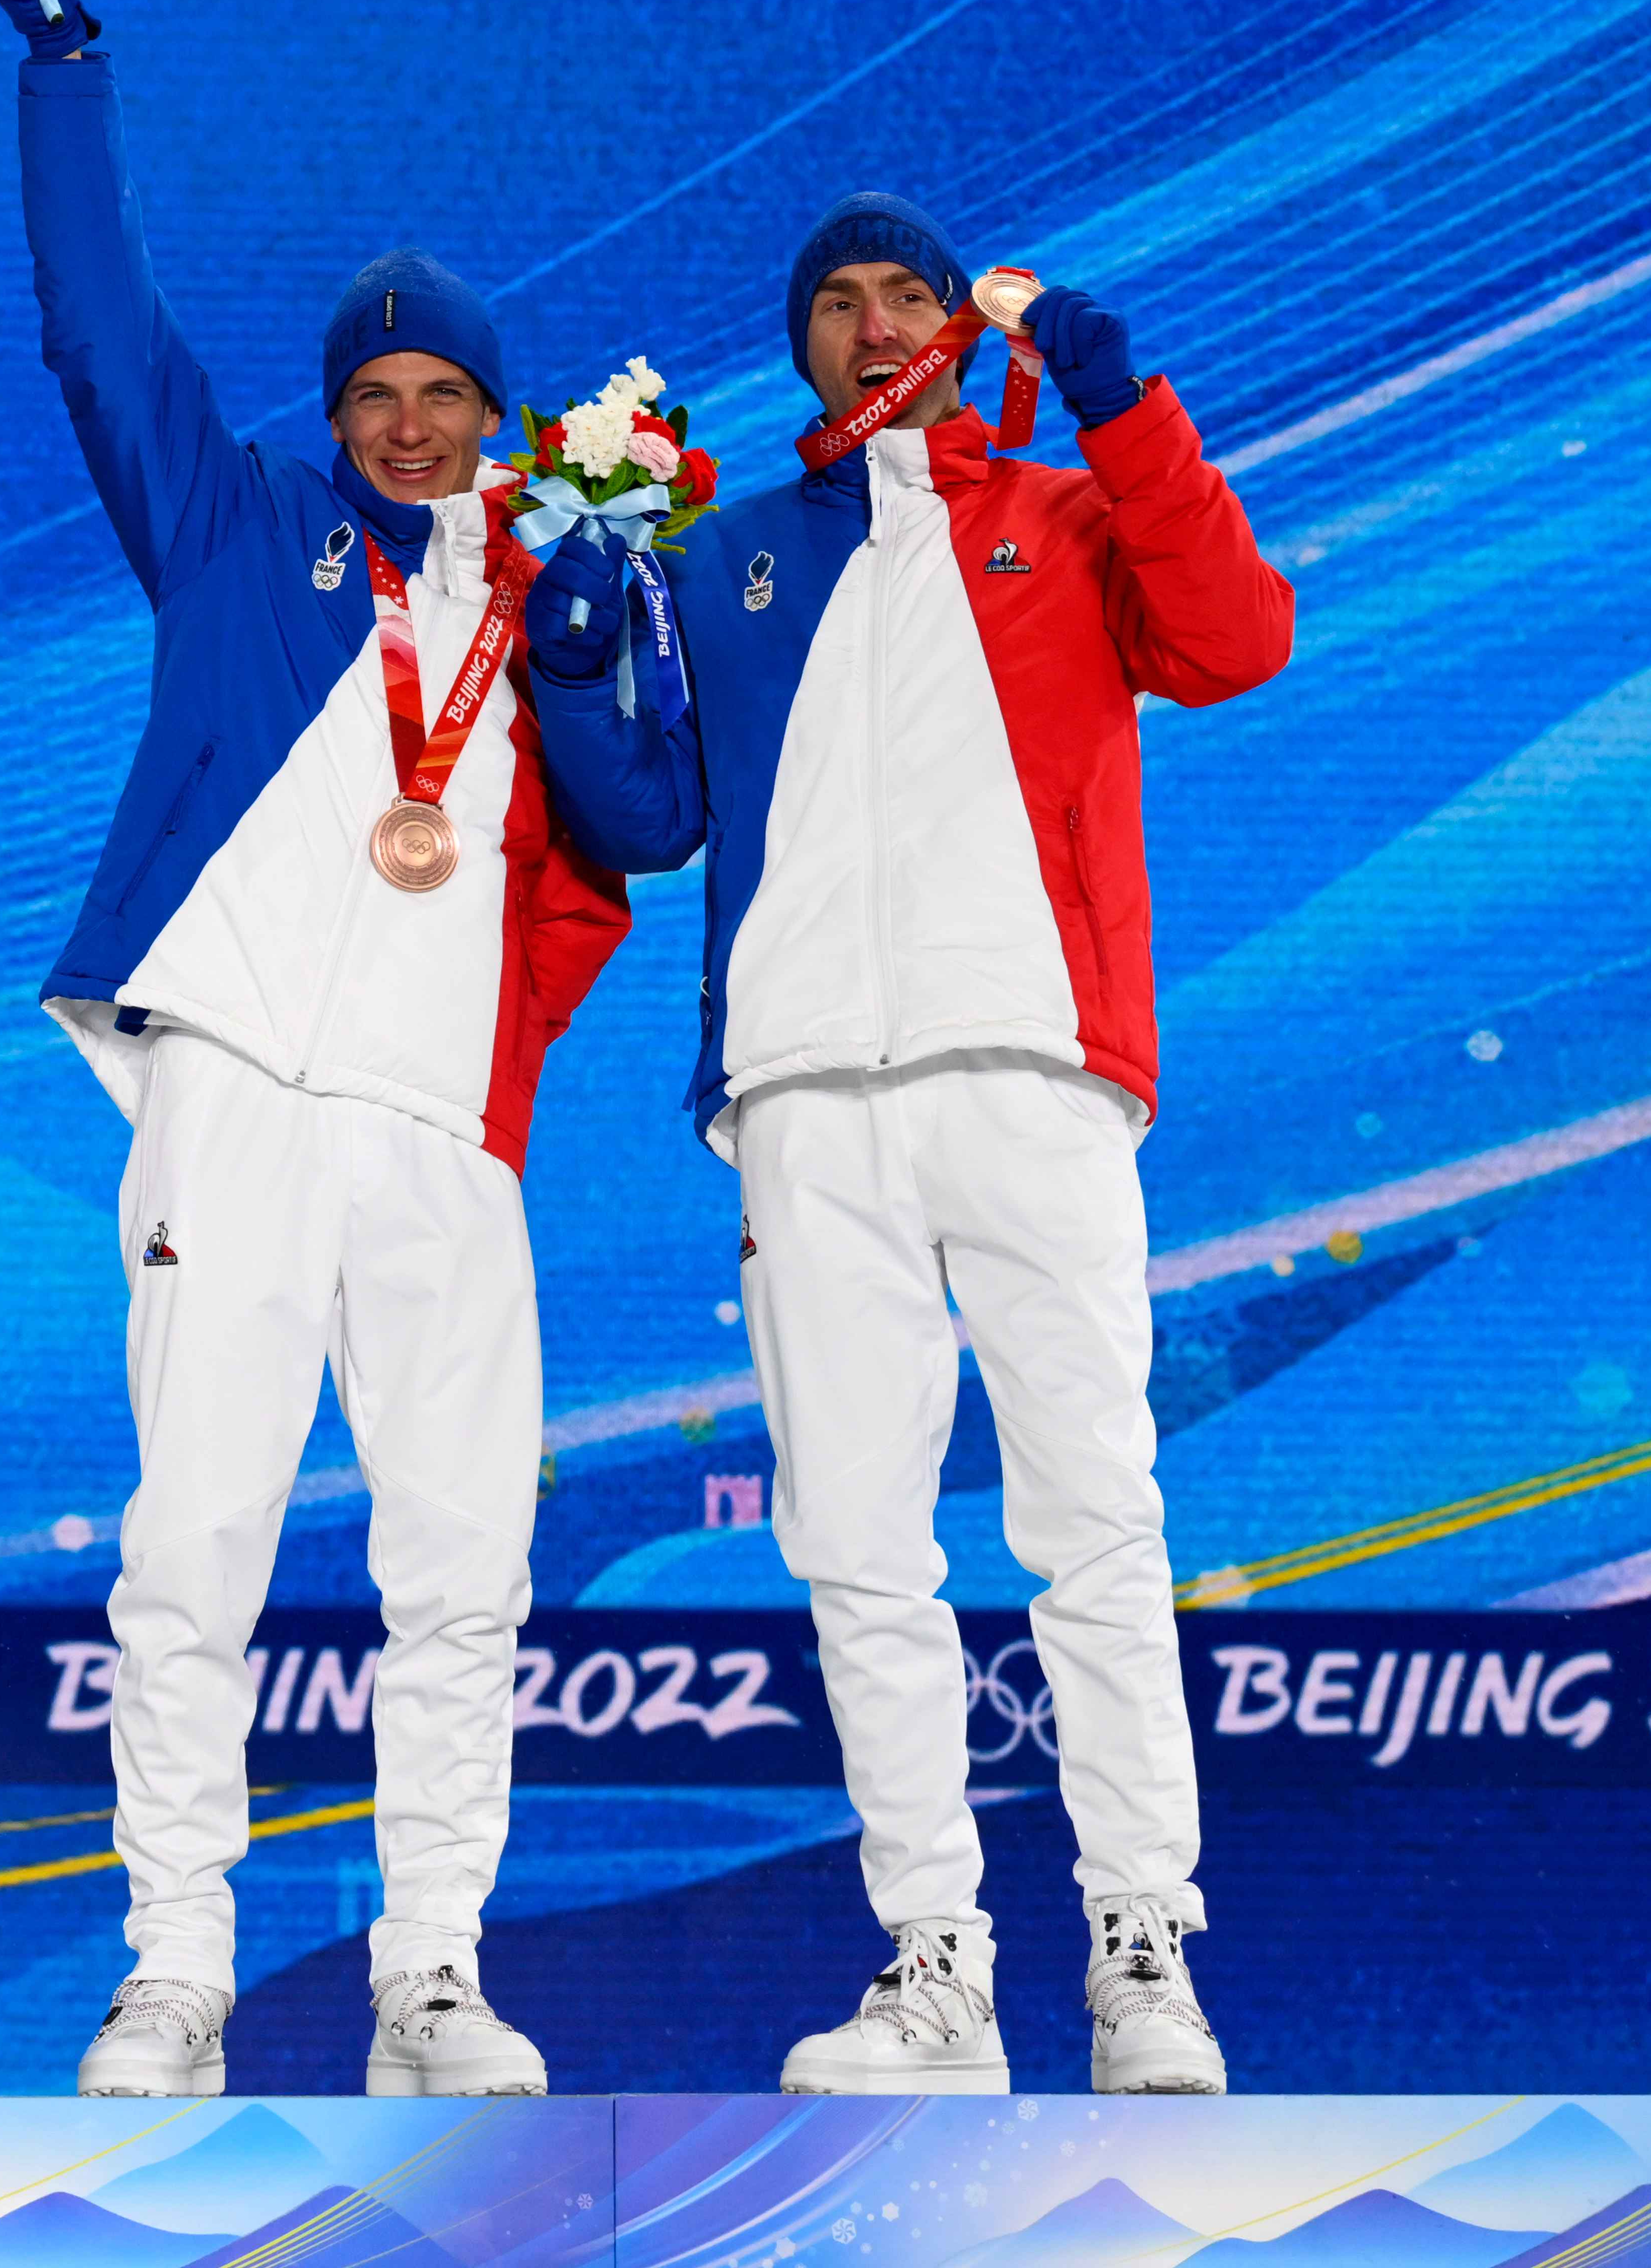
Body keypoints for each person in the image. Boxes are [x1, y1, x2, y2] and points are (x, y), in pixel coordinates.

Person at [0, 0, 630, 2099]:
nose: (414, 428)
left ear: (493, 421)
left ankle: (432, 1969)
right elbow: (95, 324)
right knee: (198, 1539)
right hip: (231, 1092)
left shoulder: (547, 591)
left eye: (448, 401)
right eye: (379, 398)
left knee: (462, 1565)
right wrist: (62, 52)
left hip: (442, 1126)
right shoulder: (242, 527)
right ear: (332, 417)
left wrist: (617, 635)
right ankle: (176, 1969)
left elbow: (657, 817)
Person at [527, 192, 1294, 2096]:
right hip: (800, 1099)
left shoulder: (1067, 515)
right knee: (861, 1545)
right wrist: (571, 635)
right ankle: (934, 1969)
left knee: (1094, 1523)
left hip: (1034, 1073)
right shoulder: (729, 556)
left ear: (962, 333)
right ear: (799, 348)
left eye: (909, 299)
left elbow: (1232, 639)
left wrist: (1118, 401)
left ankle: (1143, 1958)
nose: (875, 325)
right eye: (837, 304)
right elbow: (643, 820)